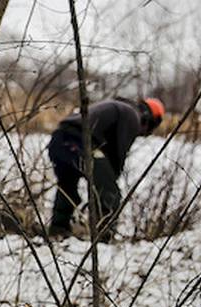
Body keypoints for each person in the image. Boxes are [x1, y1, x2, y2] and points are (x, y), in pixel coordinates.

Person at [47, 96, 164, 241]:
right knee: (110, 193)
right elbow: (118, 155)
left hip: (58, 140)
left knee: (67, 186)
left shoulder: (118, 106)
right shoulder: (132, 116)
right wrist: (109, 183)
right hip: (81, 143)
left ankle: (58, 230)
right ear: (150, 120)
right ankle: (103, 238)